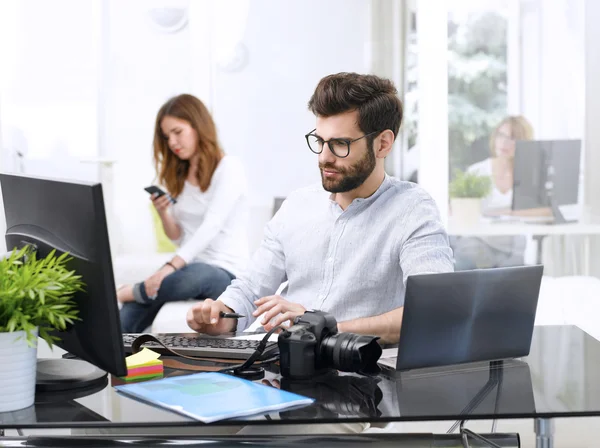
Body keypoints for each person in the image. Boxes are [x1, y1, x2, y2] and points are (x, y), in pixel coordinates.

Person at [186, 72, 454, 344]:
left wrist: (321, 327)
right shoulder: (298, 205)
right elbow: (249, 289)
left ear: (383, 143)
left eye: (340, 144)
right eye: (320, 141)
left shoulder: (412, 210)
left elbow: (435, 310)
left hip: (357, 375)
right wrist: (222, 315)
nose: (324, 158)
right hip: (276, 363)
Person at [118, 94, 249, 333]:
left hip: (226, 272)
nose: (172, 142)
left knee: (192, 275)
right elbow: (179, 237)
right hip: (190, 267)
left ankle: (132, 290)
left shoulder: (229, 168)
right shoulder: (178, 175)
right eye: (167, 137)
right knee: (135, 308)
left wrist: (169, 267)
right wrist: (164, 214)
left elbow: (212, 225)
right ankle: (113, 360)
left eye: (178, 132)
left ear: (198, 126)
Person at [451, 115, 534, 270]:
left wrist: (502, 212)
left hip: (513, 250)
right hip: (477, 246)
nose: (504, 143)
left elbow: (538, 211)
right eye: (501, 136)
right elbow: (458, 212)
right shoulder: (478, 172)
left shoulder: (527, 176)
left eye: (512, 138)